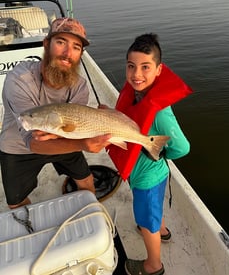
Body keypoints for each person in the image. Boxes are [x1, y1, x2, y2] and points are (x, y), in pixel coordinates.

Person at [0, 17, 111, 210]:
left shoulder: (79, 86)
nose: (68, 53)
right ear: (46, 44)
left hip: (63, 140)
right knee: (15, 203)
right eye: (61, 42)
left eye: (76, 47)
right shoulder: (18, 81)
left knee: (87, 182)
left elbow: (74, 127)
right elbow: (32, 142)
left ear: (81, 54)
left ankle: (89, 213)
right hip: (18, 148)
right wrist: (82, 144)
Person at [108, 33, 192, 275]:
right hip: (145, 176)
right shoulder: (136, 95)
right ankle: (162, 230)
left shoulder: (160, 111)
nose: (136, 74)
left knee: (146, 221)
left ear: (159, 70)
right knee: (153, 209)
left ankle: (153, 266)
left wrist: (158, 152)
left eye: (145, 67)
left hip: (148, 176)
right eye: (131, 67)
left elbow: (182, 148)